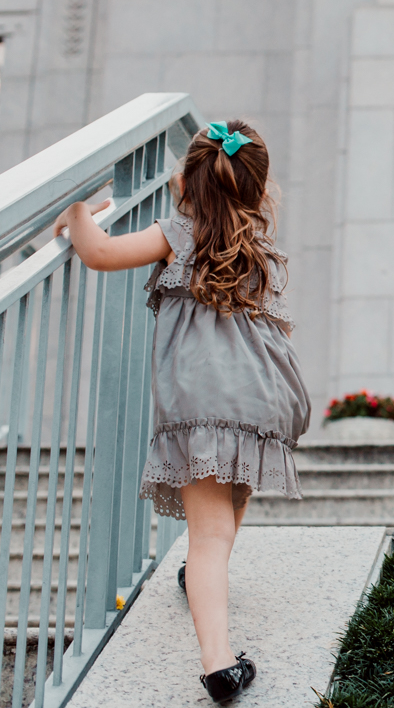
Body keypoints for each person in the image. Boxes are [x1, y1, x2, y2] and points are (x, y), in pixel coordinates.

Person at [53, 121, 309, 702]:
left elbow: (99, 253)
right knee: (230, 504)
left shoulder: (179, 233)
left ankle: (218, 662)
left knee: (207, 535)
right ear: (257, 189)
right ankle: (199, 577)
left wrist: (77, 210)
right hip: (266, 398)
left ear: (188, 183)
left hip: (201, 400)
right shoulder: (259, 248)